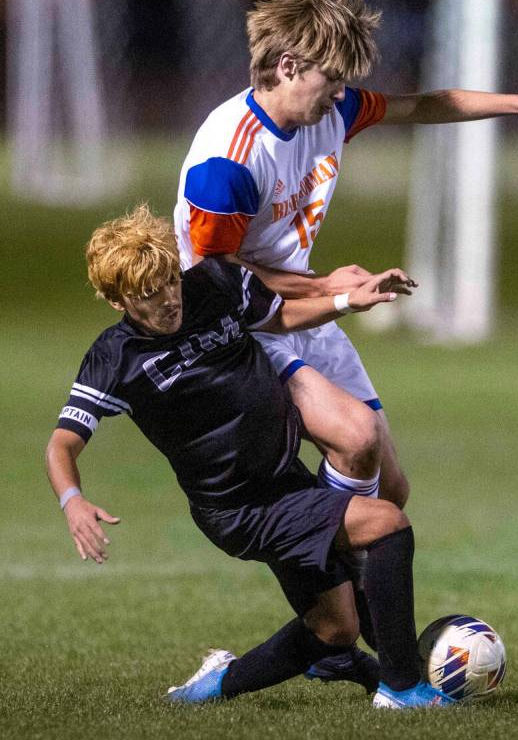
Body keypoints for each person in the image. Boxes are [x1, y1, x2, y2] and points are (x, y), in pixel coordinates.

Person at [173, 0, 518, 514]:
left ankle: (332, 583)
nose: (344, 94)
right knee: (356, 438)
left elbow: (421, 105)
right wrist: (325, 286)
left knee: (391, 490)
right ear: (289, 67)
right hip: (243, 327)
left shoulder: (330, 112)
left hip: (303, 308)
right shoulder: (226, 163)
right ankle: (327, 583)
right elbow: (215, 279)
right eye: (334, 79)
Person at [45, 205, 452, 709]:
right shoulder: (114, 357)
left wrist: (345, 300)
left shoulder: (215, 282)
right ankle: (402, 686)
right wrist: (72, 501)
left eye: (170, 280)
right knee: (386, 522)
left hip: (285, 479)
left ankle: (210, 688)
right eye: (149, 294)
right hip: (240, 509)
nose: (169, 299)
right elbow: (62, 442)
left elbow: (278, 317)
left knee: (333, 629)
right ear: (116, 300)